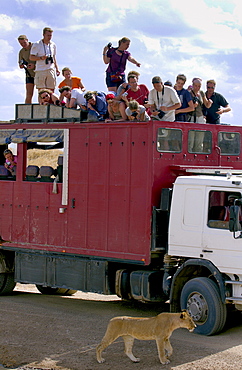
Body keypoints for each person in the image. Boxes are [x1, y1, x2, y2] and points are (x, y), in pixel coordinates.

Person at [30, 27, 60, 93]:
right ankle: (42, 103)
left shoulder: (53, 45)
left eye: (51, 35)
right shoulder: (37, 44)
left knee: (51, 89)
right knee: (41, 91)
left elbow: (54, 57)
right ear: (43, 35)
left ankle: (50, 102)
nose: (49, 37)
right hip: (40, 70)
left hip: (50, 69)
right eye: (48, 35)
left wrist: (57, 69)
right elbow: (31, 57)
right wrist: (41, 58)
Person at [18, 35, 36, 104]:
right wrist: (22, 65)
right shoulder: (21, 52)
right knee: (29, 94)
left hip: (39, 73)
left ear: (27, 40)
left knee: (42, 93)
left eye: (24, 43)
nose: (23, 45)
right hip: (29, 74)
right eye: (21, 44)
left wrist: (34, 65)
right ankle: (27, 110)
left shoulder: (35, 47)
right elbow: (20, 63)